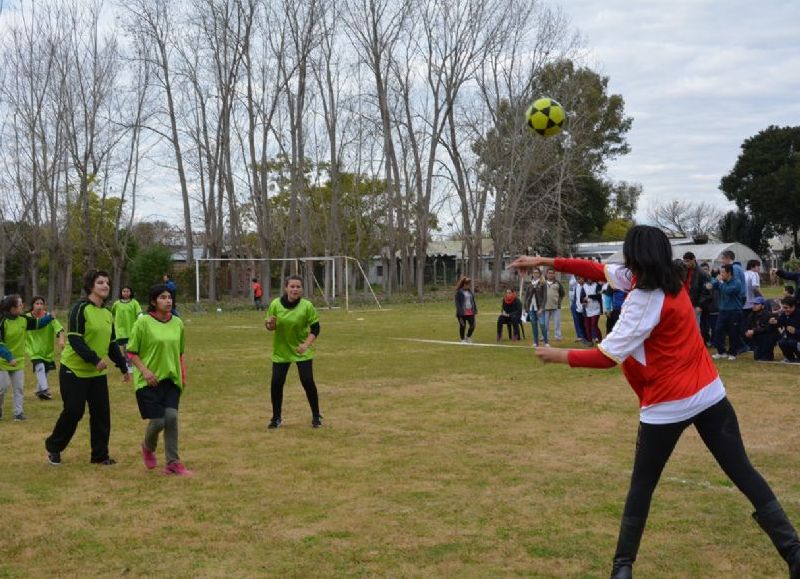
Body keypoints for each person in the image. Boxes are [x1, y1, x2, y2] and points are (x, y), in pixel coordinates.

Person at [508, 225, 800, 579]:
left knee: (642, 484)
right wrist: (544, 259)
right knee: (743, 471)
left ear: (635, 257)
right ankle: (794, 553)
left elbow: (606, 356)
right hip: (710, 394)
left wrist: (557, 355)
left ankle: (622, 567)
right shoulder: (668, 278)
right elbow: (595, 269)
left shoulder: (644, 300)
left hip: (667, 404)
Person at [45, 270, 130, 466]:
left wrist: (124, 367)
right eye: (100, 282)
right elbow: (75, 339)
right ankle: (53, 447)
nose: (105, 286)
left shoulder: (108, 313)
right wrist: (94, 359)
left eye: (107, 283)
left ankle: (100, 455)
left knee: (102, 414)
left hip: (96, 373)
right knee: (74, 412)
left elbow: (111, 343)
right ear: (91, 286)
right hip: (73, 370)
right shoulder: (79, 308)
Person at [127, 284, 192, 476]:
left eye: (170, 297)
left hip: (171, 379)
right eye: (163, 297)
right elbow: (131, 352)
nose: (168, 300)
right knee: (158, 421)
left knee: (171, 418)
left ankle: (173, 462)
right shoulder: (143, 322)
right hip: (148, 381)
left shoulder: (178, 323)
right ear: (154, 301)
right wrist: (145, 371)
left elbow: (179, 353)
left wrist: (183, 374)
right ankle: (148, 446)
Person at [265, 275, 323, 429]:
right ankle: (276, 418)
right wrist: (270, 324)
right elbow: (270, 327)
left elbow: (316, 328)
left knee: (307, 381)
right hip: (281, 351)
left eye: (298, 287)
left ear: (302, 289)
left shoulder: (307, 306)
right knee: (276, 383)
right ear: (286, 288)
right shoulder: (275, 305)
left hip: (301, 350)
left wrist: (306, 344)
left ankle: (316, 415)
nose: (295, 289)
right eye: (292, 286)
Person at [0, 295, 54, 420]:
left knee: (19, 388)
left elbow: (37, 324)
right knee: (2, 388)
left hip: (18, 361)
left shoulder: (24, 319)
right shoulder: (2, 322)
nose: (22, 306)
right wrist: (9, 357)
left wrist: (49, 317)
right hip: (2, 361)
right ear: (12, 308)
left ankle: (18, 414)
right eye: (19, 305)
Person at [26, 296, 65, 401]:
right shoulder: (27, 318)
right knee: (40, 368)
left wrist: (61, 340)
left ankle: (40, 391)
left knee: (45, 371)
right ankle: (45, 389)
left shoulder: (49, 316)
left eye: (41, 304)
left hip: (47, 351)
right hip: (33, 349)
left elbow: (60, 329)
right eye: (37, 304)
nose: (39, 306)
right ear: (32, 305)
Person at [711, 264, 744, 361]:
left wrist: (720, 281)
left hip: (734, 311)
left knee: (733, 333)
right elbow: (711, 285)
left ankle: (733, 353)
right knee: (718, 330)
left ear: (729, 273)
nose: (721, 274)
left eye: (723, 272)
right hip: (722, 311)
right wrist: (714, 281)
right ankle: (721, 352)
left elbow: (728, 291)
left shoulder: (736, 282)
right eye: (720, 272)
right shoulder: (722, 282)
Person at [111, 286, 142, 367]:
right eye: (124, 291)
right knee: (126, 347)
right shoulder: (117, 304)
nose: (125, 293)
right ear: (121, 293)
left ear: (130, 292)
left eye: (127, 291)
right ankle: (129, 365)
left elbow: (139, 313)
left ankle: (132, 363)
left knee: (132, 347)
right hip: (121, 330)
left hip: (132, 329)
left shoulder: (134, 302)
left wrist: (141, 320)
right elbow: (112, 314)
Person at [682, 252, 712, 327]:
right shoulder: (684, 271)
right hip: (685, 303)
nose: (686, 263)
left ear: (694, 260)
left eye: (688, 261)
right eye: (685, 261)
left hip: (695, 305)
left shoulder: (702, 273)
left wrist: (700, 306)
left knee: (694, 327)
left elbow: (706, 292)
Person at [745, 296, 779, 361]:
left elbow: (767, 329)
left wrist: (754, 331)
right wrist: (747, 333)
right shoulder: (751, 316)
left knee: (766, 357)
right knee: (757, 357)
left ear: (763, 306)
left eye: (756, 304)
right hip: (757, 337)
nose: (754, 306)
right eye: (753, 304)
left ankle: (768, 354)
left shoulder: (768, 315)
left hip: (769, 337)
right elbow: (748, 327)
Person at [523, 269, 547, 346]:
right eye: (534, 272)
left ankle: (546, 342)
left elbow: (545, 297)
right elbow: (526, 296)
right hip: (531, 307)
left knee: (542, 324)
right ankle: (535, 342)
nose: (535, 274)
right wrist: (524, 308)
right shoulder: (529, 284)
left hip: (539, 308)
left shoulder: (543, 284)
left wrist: (542, 308)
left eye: (537, 273)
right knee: (533, 325)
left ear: (539, 274)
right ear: (532, 274)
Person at [776, 296, 800, 363]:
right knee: (782, 342)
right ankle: (790, 358)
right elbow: (779, 322)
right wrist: (774, 322)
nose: (784, 310)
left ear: (793, 307)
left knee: (791, 342)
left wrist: (796, 331)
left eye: (786, 308)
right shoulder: (785, 314)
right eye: (783, 307)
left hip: (797, 340)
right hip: (791, 339)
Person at [543, 269, 565, 341]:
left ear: (554, 274)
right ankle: (545, 336)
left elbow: (562, 293)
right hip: (545, 307)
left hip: (556, 307)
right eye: (549, 273)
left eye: (552, 273)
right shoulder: (543, 283)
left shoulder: (557, 283)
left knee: (557, 323)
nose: (550, 274)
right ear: (546, 274)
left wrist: (559, 301)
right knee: (545, 324)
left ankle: (558, 336)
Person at [454, 276, 477, 343]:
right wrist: (459, 312)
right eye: (468, 284)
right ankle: (462, 339)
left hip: (470, 312)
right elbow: (457, 303)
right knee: (463, 325)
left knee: (473, 325)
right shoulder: (459, 292)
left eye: (469, 284)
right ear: (464, 284)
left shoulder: (470, 292)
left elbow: (473, 301)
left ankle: (468, 337)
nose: (469, 285)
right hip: (462, 312)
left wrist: (475, 310)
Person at [581, 278, 602, 343]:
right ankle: (590, 341)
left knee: (594, 325)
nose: (589, 279)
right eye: (588, 278)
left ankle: (600, 339)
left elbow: (599, 296)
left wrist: (589, 296)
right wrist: (583, 302)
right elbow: (582, 297)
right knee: (587, 326)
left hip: (596, 308)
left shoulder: (597, 285)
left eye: (590, 278)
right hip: (587, 309)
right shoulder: (584, 286)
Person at [569, 275, 588, 342]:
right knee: (577, 321)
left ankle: (587, 337)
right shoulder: (573, 279)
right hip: (575, 303)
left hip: (583, 304)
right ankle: (580, 336)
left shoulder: (585, 285)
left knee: (585, 322)